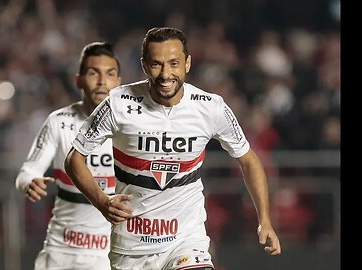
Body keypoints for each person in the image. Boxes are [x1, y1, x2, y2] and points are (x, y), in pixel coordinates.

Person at [64, 27, 281, 270]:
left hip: (186, 241)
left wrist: (265, 220)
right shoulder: (118, 103)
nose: (166, 74)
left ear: (187, 63)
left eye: (174, 63)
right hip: (132, 248)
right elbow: (74, 158)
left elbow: (249, 160)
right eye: (156, 64)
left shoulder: (211, 107)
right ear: (144, 65)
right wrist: (102, 202)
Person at [15, 41, 122, 270]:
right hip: (60, 253)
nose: (102, 81)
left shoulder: (129, 128)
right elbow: (28, 171)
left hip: (108, 256)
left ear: (118, 82)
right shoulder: (59, 122)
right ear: (79, 80)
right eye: (94, 73)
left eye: (110, 74)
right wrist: (28, 183)